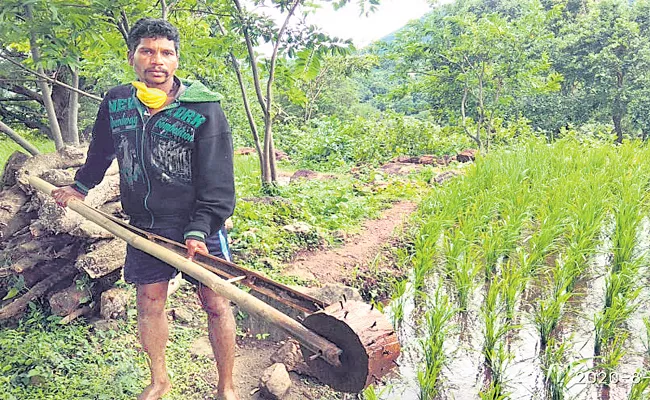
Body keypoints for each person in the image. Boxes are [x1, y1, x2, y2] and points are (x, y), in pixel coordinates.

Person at [52, 18, 238, 400]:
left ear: (176, 61)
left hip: (198, 224)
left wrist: (200, 228)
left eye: (166, 52)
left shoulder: (204, 107)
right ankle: (159, 381)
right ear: (132, 57)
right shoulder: (117, 101)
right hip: (145, 224)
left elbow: (219, 182)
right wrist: (82, 185)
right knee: (150, 302)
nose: (157, 60)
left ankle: (227, 386)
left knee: (215, 302)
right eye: (148, 51)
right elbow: (102, 148)